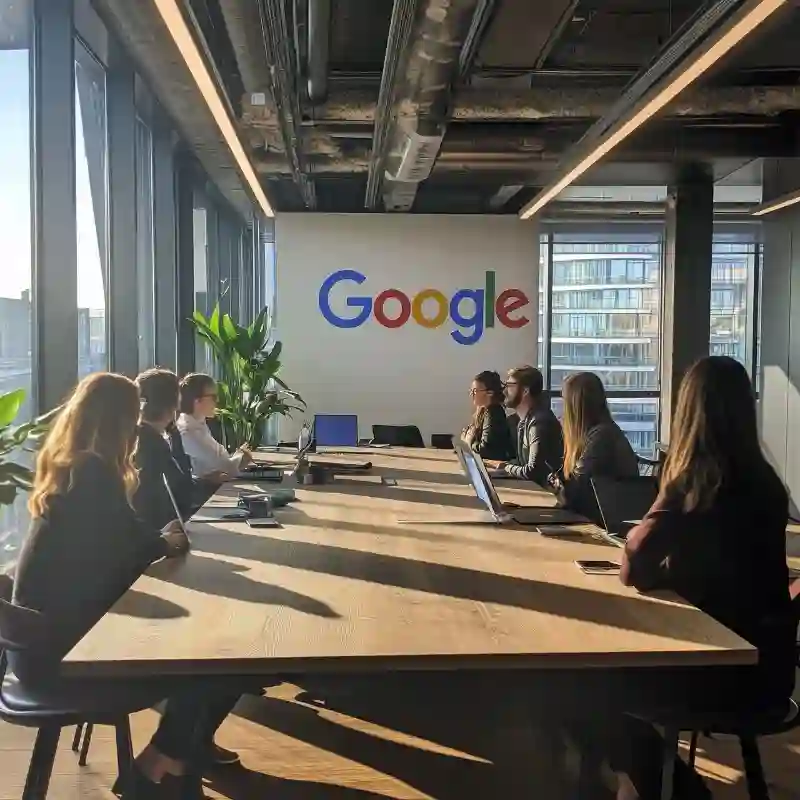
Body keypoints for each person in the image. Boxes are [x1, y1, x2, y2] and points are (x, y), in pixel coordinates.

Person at [573, 357, 797, 800]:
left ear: (686, 411)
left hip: (707, 672)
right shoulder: (768, 484)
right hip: (766, 672)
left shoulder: (694, 484)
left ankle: (676, 786)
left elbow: (633, 566)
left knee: (578, 683)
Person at [10, 373, 241, 798]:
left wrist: (155, 541)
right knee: (220, 656)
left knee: (213, 654)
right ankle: (160, 765)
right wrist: (162, 542)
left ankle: (173, 760)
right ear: (120, 420)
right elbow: (128, 545)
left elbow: (118, 538)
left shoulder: (73, 467)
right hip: (64, 656)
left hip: (38, 647)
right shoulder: (92, 473)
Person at [134, 368, 222, 530]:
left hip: (172, 527)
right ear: (176, 402)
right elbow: (177, 494)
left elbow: (179, 485)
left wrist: (204, 481)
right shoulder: (151, 443)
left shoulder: (166, 435)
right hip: (166, 532)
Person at [549, 371, 638, 521]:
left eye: (565, 402)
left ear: (575, 406)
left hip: (605, 524)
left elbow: (574, 492)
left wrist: (557, 484)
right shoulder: (598, 432)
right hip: (598, 518)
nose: (562, 410)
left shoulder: (602, 436)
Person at [485, 365, 563, 486]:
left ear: (526, 391)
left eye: (510, 386)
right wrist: (501, 465)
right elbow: (523, 463)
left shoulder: (540, 422)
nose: (504, 391)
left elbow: (533, 471)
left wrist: (506, 467)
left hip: (548, 497)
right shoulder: (525, 420)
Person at [176, 373, 253, 477]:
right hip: (210, 492)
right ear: (197, 400)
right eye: (213, 397)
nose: (217, 401)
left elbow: (219, 461)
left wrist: (238, 457)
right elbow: (223, 467)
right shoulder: (189, 432)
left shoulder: (197, 424)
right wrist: (241, 457)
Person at [461, 370, 514, 461]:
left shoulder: (494, 413)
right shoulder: (483, 411)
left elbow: (486, 450)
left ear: (490, 393)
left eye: (475, 391)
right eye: (471, 391)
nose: (472, 394)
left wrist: (469, 441)